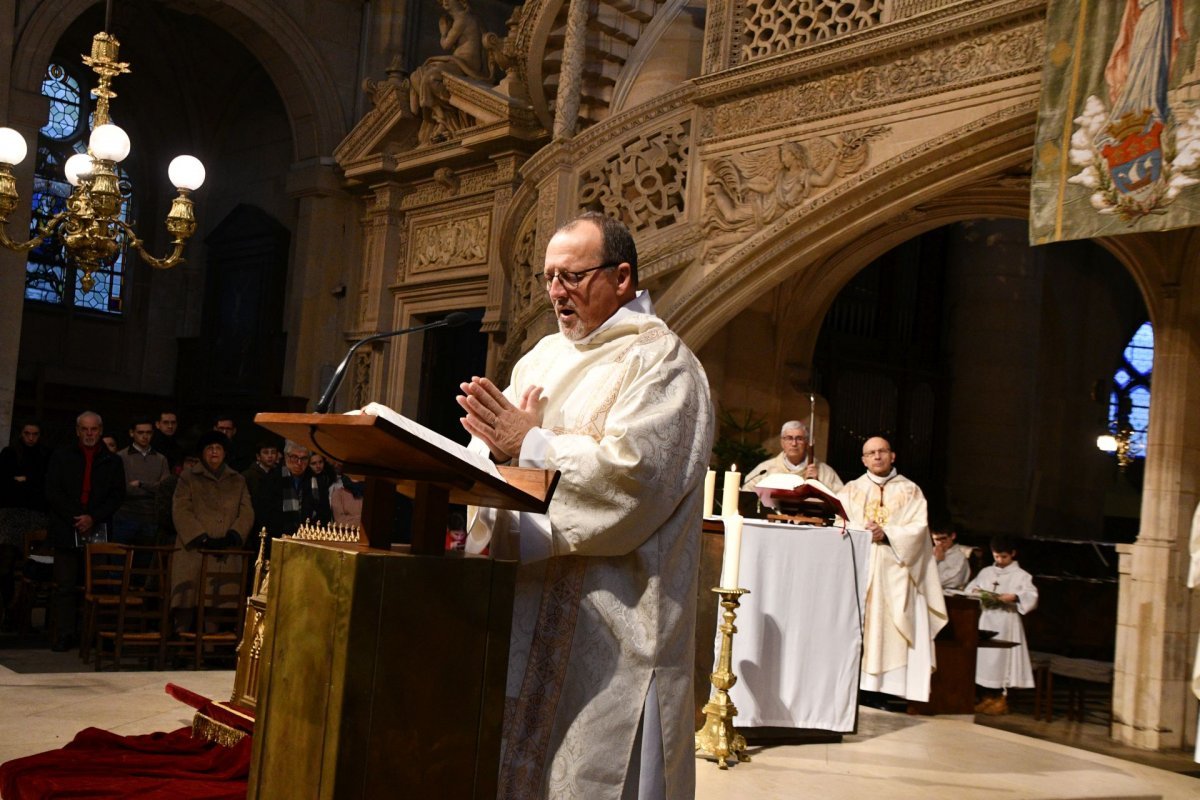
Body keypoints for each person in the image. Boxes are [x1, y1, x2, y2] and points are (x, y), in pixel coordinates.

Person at [457, 211, 714, 799]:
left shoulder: (664, 363)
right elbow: (494, 457)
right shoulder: (540, 358)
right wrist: (486, 458)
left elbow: (636, 479)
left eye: (572, 276)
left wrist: (531, 444)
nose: (555, 292)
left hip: (617, 625)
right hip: (529, 609)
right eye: (549, 277)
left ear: (622, 277)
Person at [836, 434, 946, 703]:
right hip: (859, 570)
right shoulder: (850, 490)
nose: (877, 456)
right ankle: (856, 687)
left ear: (892, 455)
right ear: (863, 460)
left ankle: (891, 691)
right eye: (870, 453)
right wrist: (862, 531)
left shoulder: (910, 491)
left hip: (897, 571)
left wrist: (886, 533)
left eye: (882, 451)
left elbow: (919, 530)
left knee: (895, 627)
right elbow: (837, 524)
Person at [43, 411, 125, 651]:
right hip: (66, 527)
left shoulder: (112, 461)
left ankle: (92, 635)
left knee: (96, 585)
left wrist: (93, 517)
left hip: (98, 528)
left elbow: (117, 495)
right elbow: (52, 490)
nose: (90, 434)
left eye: (94, 429)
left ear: (100, 431)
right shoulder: (61, 455)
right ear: (78, 431)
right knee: (65, 586)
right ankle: (66, 634)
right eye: (85, 429)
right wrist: (76, 517)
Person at [170, 432, 253, 631]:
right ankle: (181, 645)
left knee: (218, 599)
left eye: (218, 448)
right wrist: (200, 537)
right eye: (209, 448)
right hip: (194, 549)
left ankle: (209, 645)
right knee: (187, 597)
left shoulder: (237, 479)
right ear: (202, 453)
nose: (214, 452)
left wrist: (234, 534)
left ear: (225, 453)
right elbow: (181, 509)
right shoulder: (188, 477)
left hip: (225, 549)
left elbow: (247, 510)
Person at [967, 535, 1038, 715]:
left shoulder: (1022, 576)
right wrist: (978, 593)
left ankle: (1000, 699)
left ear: (1013, 554)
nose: (999, 560)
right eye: (996, 556)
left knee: (1001, 660)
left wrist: (1014, 597)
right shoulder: (986, 572)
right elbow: (969, 589)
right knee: (984, 660)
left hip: (1007, 622)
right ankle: (986, 698)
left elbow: (1031, 596)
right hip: (987, 618)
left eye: (1004, 557)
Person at [112, 417, 170, 548]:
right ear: (132, 433)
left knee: (145, 564)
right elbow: (122, 488)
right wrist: (151, 488)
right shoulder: (120, 457)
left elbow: (164, 488)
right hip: (125, 516)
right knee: (119, 562)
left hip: (150, 517)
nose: (145, 436)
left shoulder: (161, 459)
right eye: (140, 432)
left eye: (148, 433)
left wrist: (141, 484)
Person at [741, 419, 842, 491]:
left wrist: (818, 483)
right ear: (782, 442)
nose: (794, 444)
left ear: (807, 443)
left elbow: (840, 499)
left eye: (799, 438)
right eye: (789, 438)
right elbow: (747, 492)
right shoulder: (765, 470)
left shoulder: (825, 472)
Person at [932, 525, 972, 591]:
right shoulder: (929, 552)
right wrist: (936, 560)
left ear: (953, 536)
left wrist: (930, 580)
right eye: (936, 539)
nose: (939, 543)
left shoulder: (960, 556)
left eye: (943, 538)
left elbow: (955, 580)